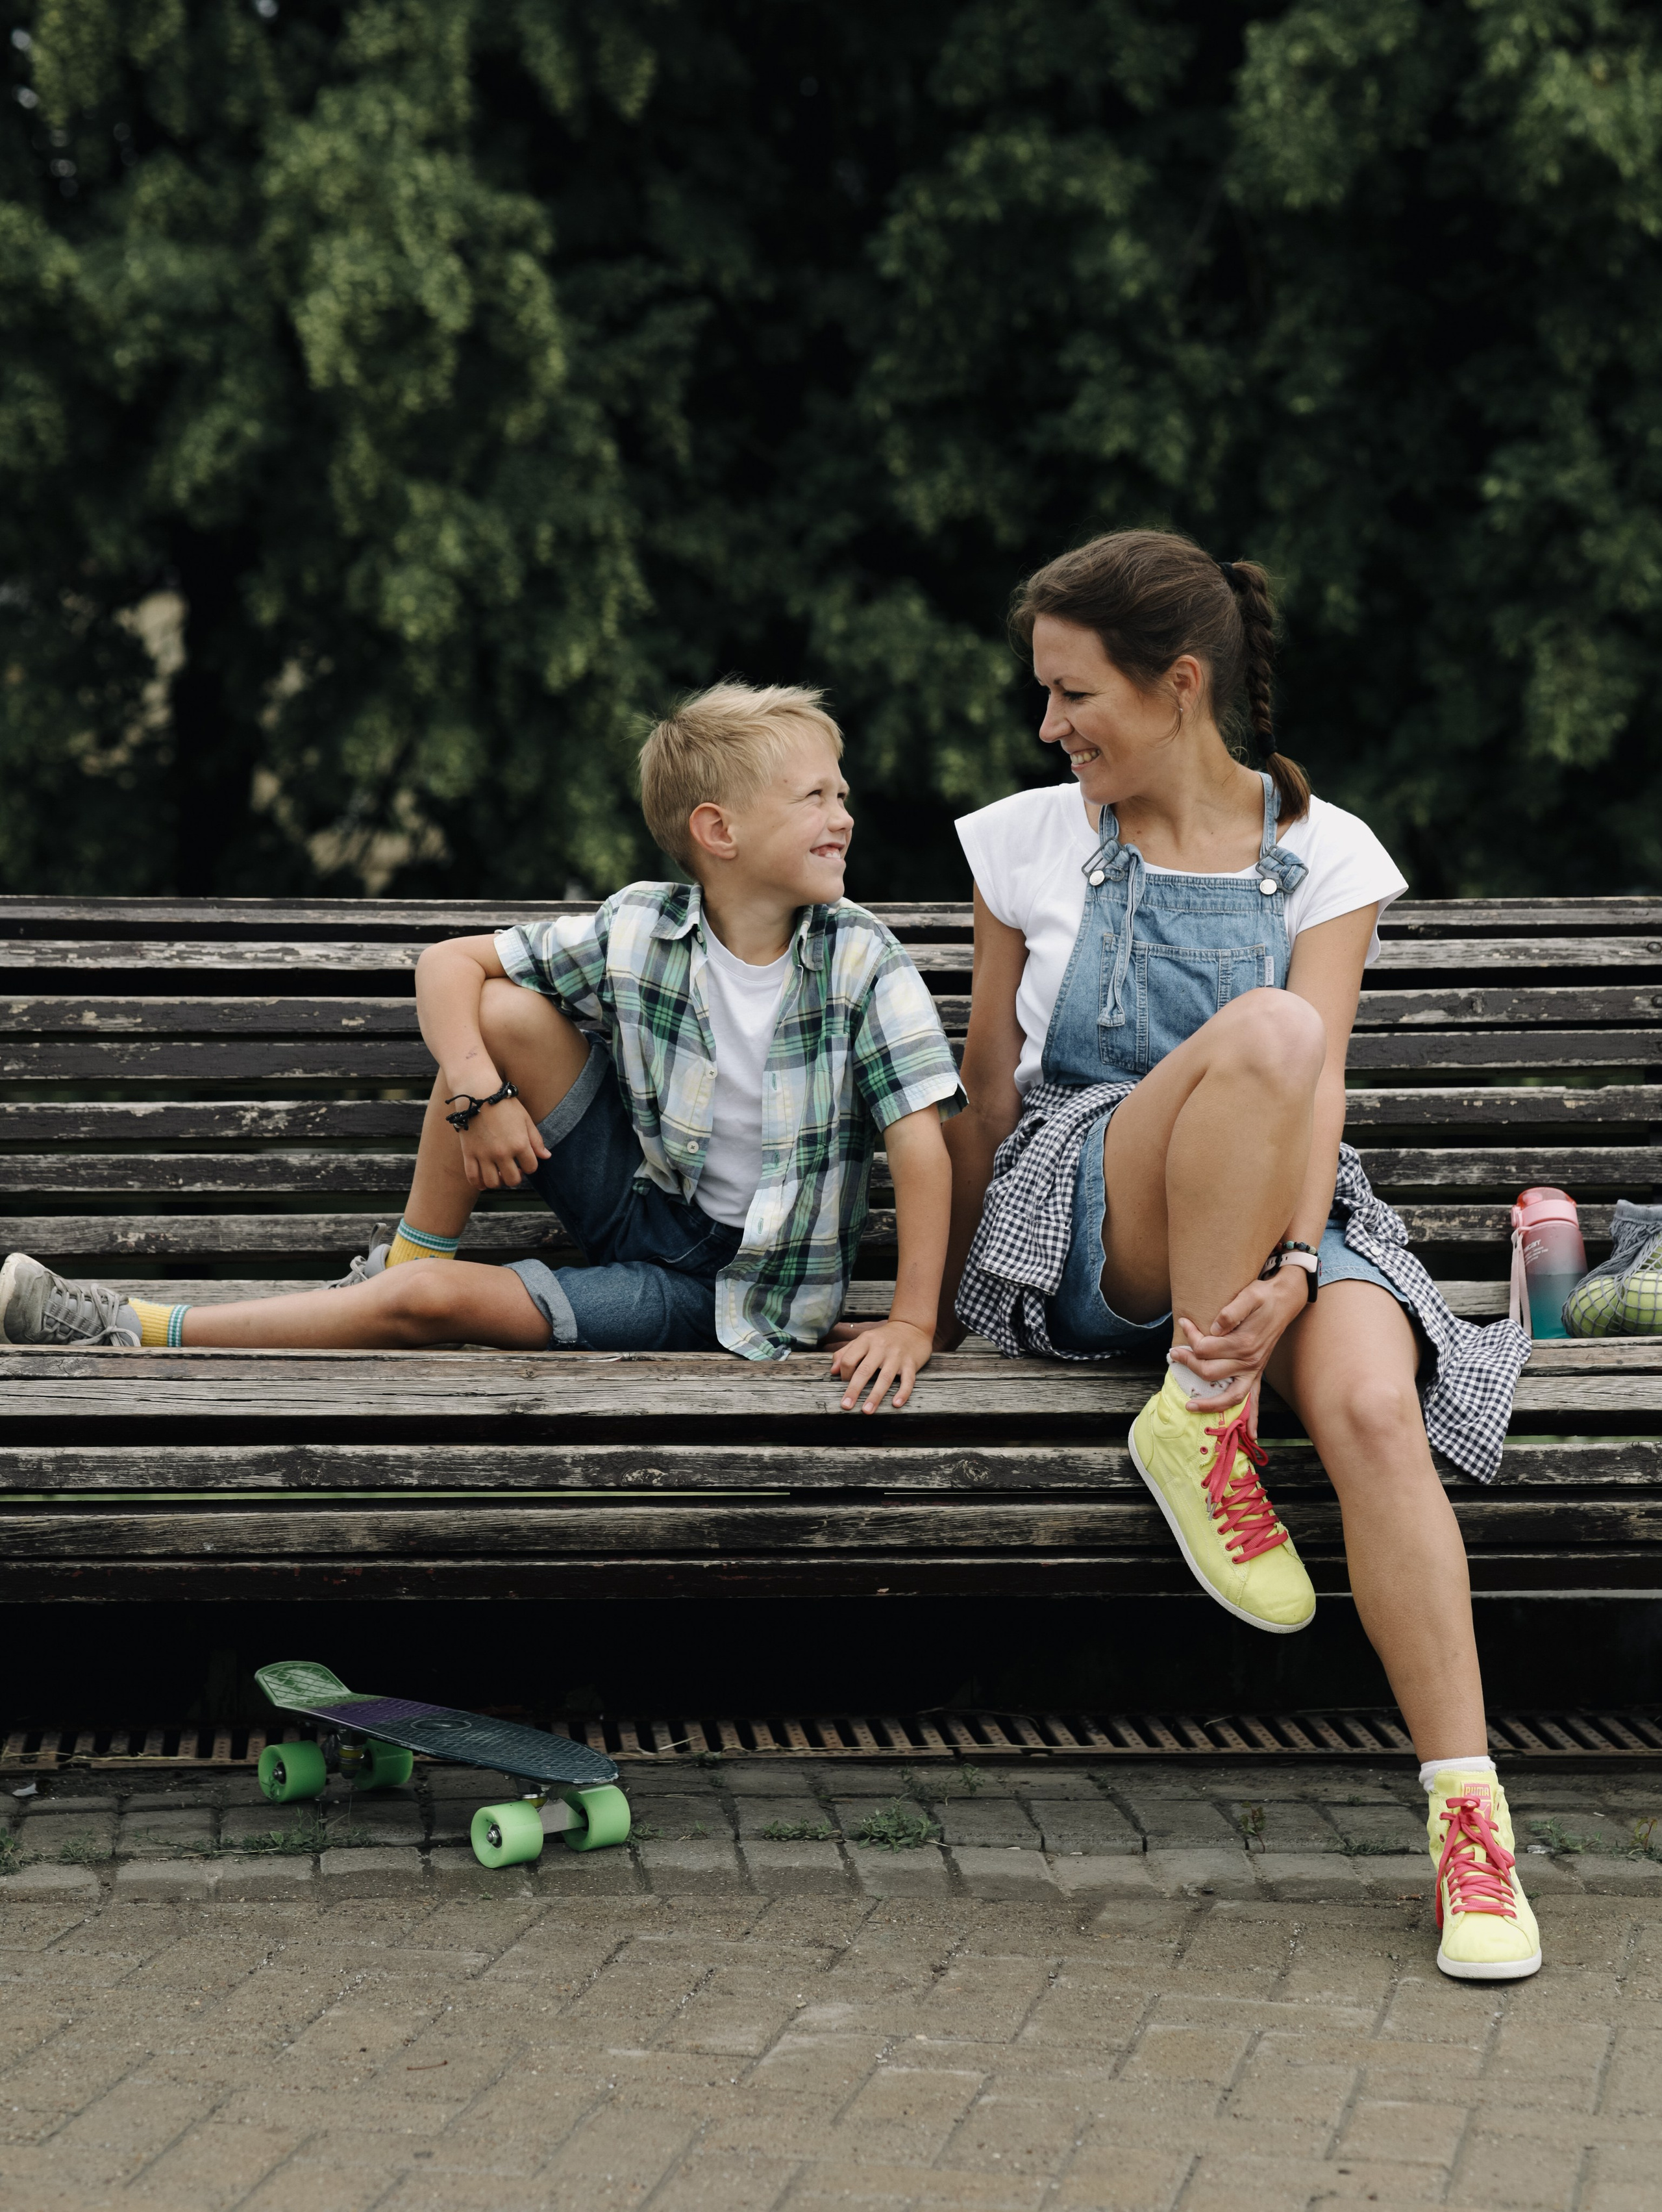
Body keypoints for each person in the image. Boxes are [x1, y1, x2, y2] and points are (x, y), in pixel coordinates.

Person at [941, 530, 1539, 1982]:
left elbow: (1310, 1094)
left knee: (1371, 1407)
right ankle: (1203, 1417)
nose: (1048, 726)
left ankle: (1469, 1825)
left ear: (1179, 685)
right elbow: (986, 1093)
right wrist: (948, 1304)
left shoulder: (1323, 856)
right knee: (1269, 1029)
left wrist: (1287, 1264)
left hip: (1284, 1206)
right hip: (1086, 1206)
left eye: (1072, 693)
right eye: (1043, 694)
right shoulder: (1023, 837)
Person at [0, 684, 964, 1414]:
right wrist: (475, 1089)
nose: (845, 816)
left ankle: (137, 1326)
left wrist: (913, 1322)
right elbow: (448, 965)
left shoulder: (860, 961)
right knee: (498, 1018)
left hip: (716, 1296)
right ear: (718, 831)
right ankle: (403, 1263)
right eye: (816, 797)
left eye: (842, 793)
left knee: (425, 1304)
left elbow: (921, 1145)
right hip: (640, 1204)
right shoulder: (639, 929)